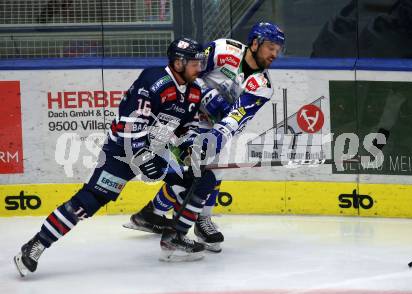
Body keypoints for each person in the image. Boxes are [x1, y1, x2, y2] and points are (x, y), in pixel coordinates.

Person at [14, 37, 217, 277]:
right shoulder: (154, 82)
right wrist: (143, 158)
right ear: (178, 62)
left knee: (202, 180)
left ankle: (175, 238)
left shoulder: (194, 90)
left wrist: (189, 147)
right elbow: (129, 125)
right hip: (122, 153)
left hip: (157, 151)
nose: (200, 68)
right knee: (89, 201)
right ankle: (36, 244)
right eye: (195, 63)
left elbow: (184, 126)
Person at [125, 22, 285, 253]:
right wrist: (201, 96)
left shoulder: (263, 86)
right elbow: (190, 73)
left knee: (211, 168)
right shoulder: (223, 49)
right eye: (271, 47)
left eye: (278, 50)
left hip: (216, 125)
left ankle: (173, 215)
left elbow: (237, 117)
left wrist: (215, 138)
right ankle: (165, 216)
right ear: (255, 42)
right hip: (186, 113)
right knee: (191, 171)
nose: (274, 54)